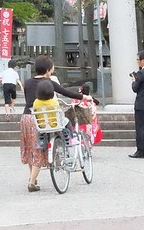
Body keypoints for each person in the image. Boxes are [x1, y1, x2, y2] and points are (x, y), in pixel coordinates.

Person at [21, 55, 90, 192]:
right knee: (39, 150)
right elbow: (66, 92)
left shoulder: (27, 82)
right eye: (52, 68)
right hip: (42, 119)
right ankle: (32, 181)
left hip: (27, 117)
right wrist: (84, 97)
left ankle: (32, 178)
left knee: (30, 149)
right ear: (47, 69)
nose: (53, 70)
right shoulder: (49, 82)